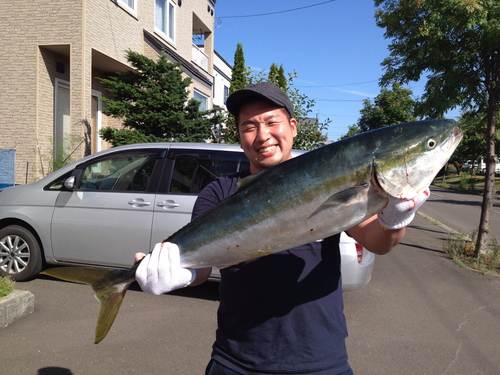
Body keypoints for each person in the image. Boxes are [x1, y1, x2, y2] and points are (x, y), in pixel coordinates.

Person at [135, 82, 430, 374]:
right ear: (239, 137)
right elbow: (200, 268)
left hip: (321, 361)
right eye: (249, 127)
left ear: (292, 126)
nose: (262, 135)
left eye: (271, 122)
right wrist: (176, 274)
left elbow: (376, 241)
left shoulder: (326, 174)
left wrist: (394, 221)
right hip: (236, 361)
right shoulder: (219, 192)